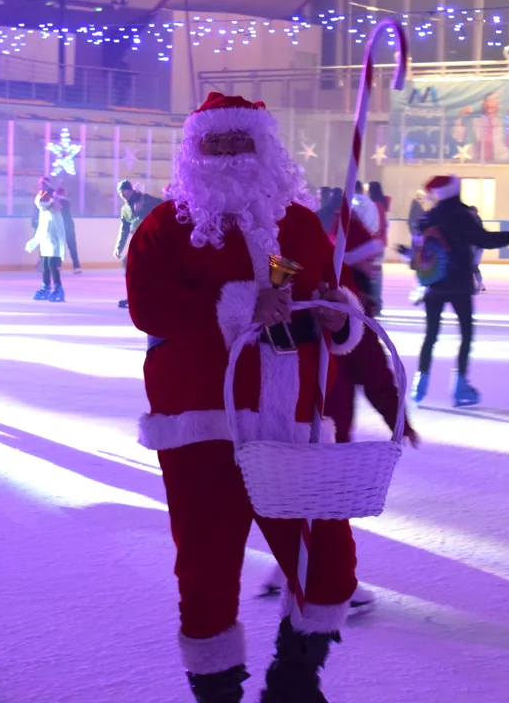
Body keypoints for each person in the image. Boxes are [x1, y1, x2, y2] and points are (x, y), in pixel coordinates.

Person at [127, 92, 365, 702]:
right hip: (203, 427)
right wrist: (238, 305)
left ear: (264, 147)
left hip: (290, 427)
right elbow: (149, 308)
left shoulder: (303, 223)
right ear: (194, 151)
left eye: (243, 142)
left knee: (329, 566)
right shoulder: (163, 227)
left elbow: (324, 298)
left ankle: (293, 680)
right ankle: (218, 694)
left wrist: (341, 318)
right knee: (206, 574)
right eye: (218, 142)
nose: (231, 154)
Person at [410, 174, 509, 408]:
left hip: (434, 283)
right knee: (466, 334)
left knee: (430, 335)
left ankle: (420, 384)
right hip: (459, 283)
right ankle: (460, 385)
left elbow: (416, 255)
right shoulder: (462, 216)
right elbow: (483, 239)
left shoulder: (427, 218)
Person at [114, 179, 162, 309]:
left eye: (125, 191)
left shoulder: (146, 199)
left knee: (149, 268)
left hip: (152, 239)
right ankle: (134, 296)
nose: (123, 194)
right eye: (120, 193)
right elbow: (124, 228)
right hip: (138, 241)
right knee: (128, 264)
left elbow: (162, 206)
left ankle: (152, 296)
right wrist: (119, 247)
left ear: (131, 190)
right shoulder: (125, 209)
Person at [27, 179, 67, 302]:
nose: (42, 209)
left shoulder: (56, 215)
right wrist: (33, 242)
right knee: (45, 266)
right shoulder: (44, 214)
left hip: (55, 245)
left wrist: (62, 252)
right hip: (45, 244)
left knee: (52, 266)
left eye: (43, 207)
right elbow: (40, 230)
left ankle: (58, 288)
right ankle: (46, 286)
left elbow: (61, 234)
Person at [366, 181, 390, 316]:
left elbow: (375, 226)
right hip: (380, 244)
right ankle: (377, 303)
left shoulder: (375, 206)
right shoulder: (382, 204)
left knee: (374, 276)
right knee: (377, 275)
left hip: (375, 245)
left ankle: (375, 304)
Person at [54, 187, 82, 274]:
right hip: (62, 227)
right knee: (61, 248)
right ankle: (58, 266)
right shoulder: (56, 203)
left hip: (67, 227)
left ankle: (76, 266)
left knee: (71, 247)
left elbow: (63, 212)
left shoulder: (64, 202)